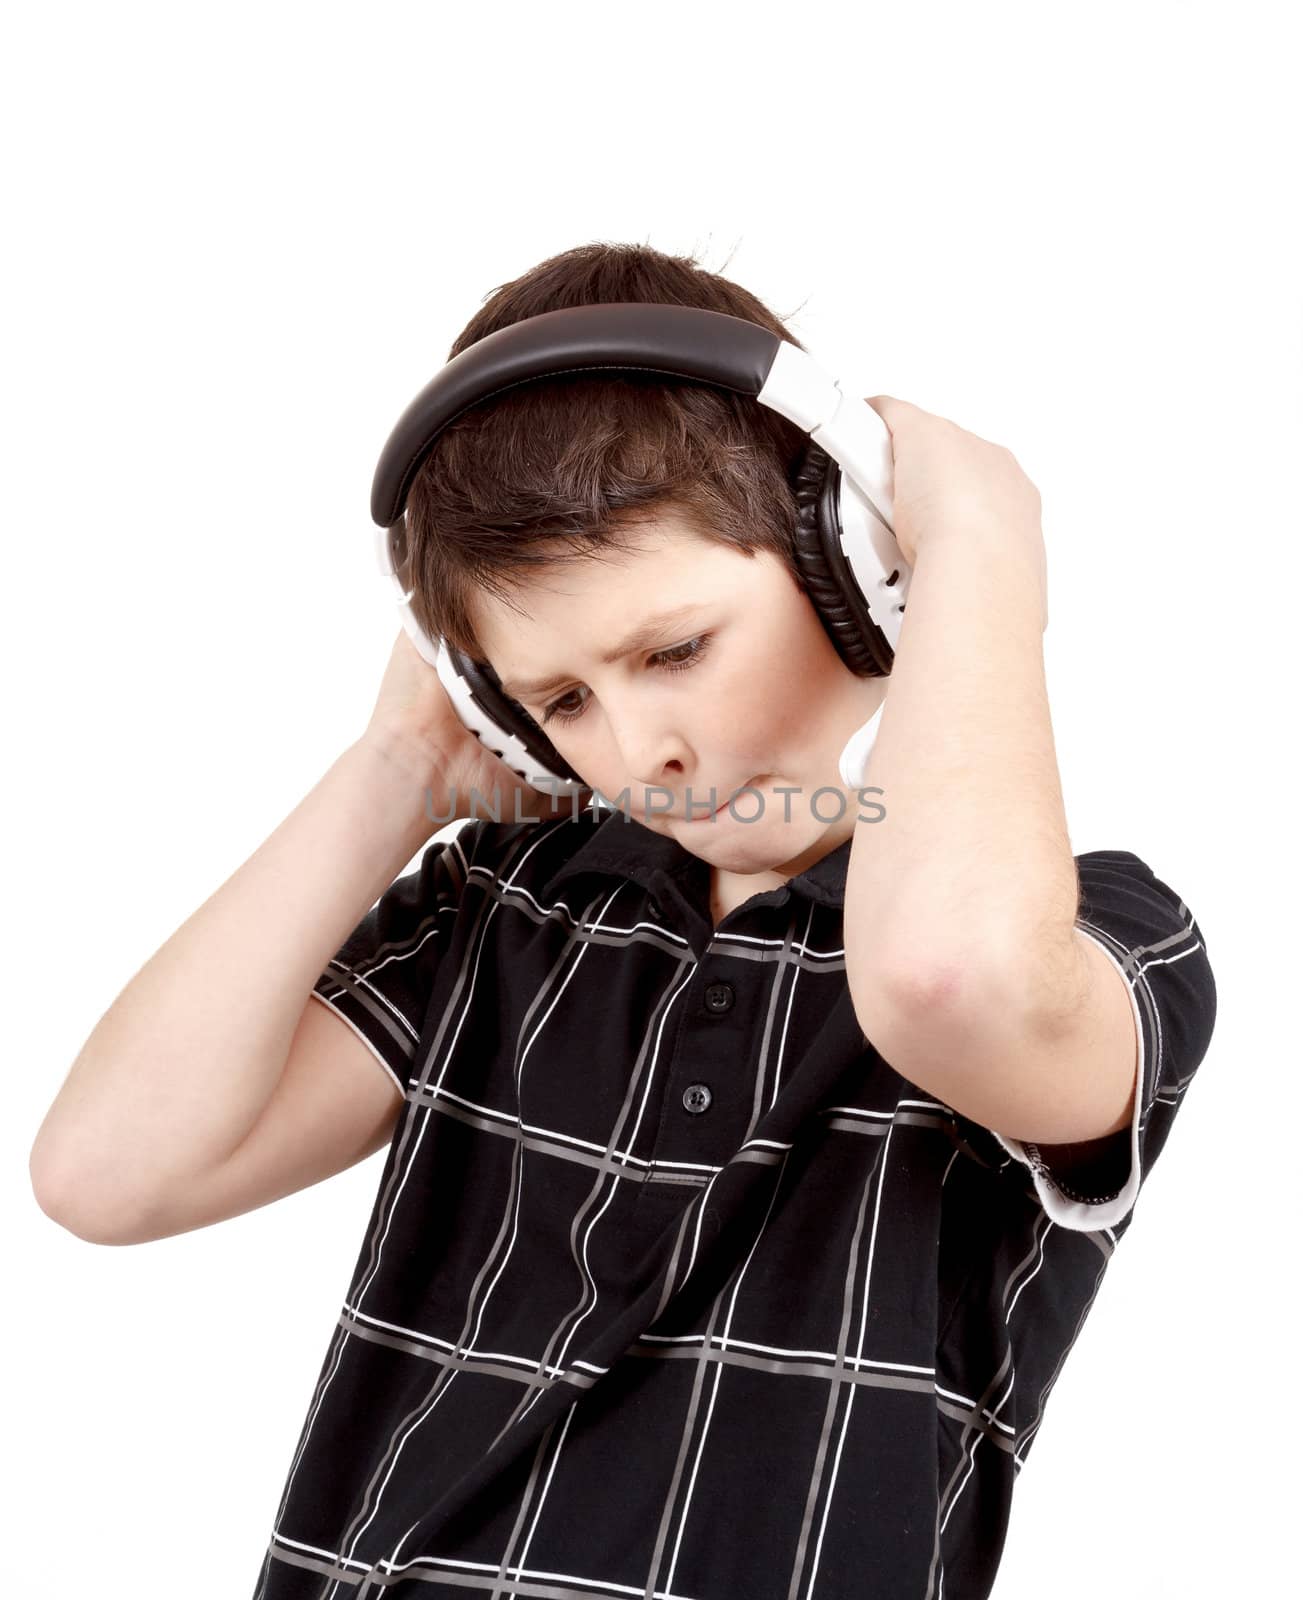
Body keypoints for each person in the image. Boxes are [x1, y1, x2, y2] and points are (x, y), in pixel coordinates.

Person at [29, 242, 1217, 1600]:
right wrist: (392, 777)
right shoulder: (501, 913)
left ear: (857, 562)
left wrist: (981, 549)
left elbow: (951, 974)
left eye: (672, 652)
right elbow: (106, 1175)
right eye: (561, 701)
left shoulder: (1098, 936)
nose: (637, 748)